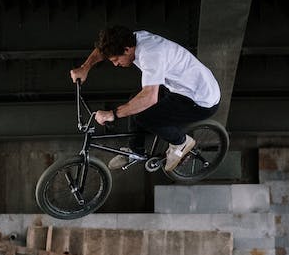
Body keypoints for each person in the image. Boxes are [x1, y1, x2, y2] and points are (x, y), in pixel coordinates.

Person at [70, 26, 220, 172]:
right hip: (184, 86)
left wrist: (112, 114)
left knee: (144, 117)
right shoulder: (130, 40)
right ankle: (136, 151)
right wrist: (85, 67)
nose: (115, 64)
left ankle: (181, 142)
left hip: (200, 100)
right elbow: (102, 50)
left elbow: (149, 98)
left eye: (116, 59)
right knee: (133, 101)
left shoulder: (151, 54)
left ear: (127, 50)